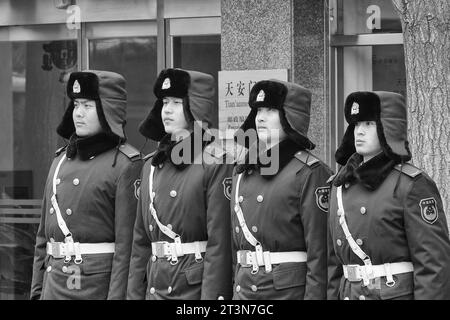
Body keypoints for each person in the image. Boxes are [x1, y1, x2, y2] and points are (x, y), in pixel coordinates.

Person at [30, 70, 142, 300]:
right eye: (76, 104)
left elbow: (126, 250)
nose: (78, 113)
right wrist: (37, 291)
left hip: (94, 288)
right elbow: (43, 239)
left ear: (107, 109)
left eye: (88, 106)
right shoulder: (59, 161)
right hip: (53, 285)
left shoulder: (125, 165)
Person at [327, 91, 450, 300]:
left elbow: (433, 264)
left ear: (387, 127)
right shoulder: (338, 185)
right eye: (356, 125)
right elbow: (333, 265)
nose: (360, 132)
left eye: (369, 124)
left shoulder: (411, 185)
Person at [127, 68, 233, 300]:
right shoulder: (151, 166)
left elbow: (219, 245)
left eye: (176, 102)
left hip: (191, 289)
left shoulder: (215, 163)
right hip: (155, 286)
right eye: (164, 102)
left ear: (196, 106)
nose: (167, 109)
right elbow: (141, 243)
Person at [230, 79, 332, 300]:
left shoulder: (311, 173)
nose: (261, 117)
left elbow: (320, 254)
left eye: (271, 110)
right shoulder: (242, 171)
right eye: (258, 110)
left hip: (286, 292)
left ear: (290, 117)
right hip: (245, 291)